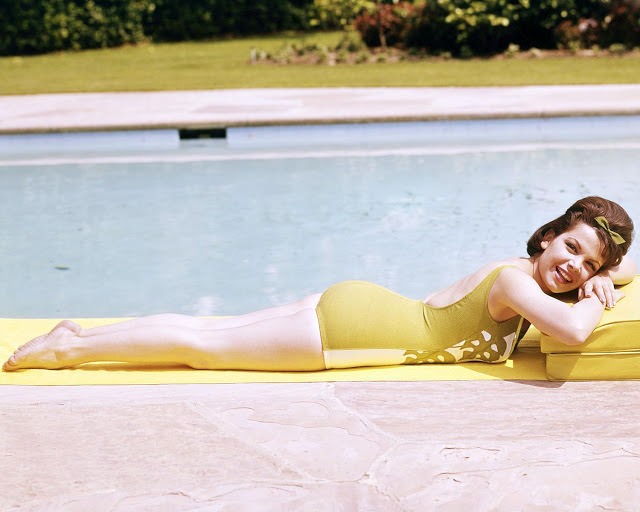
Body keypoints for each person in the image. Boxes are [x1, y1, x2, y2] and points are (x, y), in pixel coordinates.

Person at [3, 196, 636, 372]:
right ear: (549, 235)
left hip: (362, 306)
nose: (575, 267)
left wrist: (603, 274)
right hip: (350, 329)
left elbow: (624, 268)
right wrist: (591, 294)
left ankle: (80, 335)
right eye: (573, 249)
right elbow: (577, 332)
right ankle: (69, 350)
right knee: (202, 350)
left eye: (589, 263)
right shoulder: (520, 284)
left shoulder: (531, 274)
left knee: (208, 330)